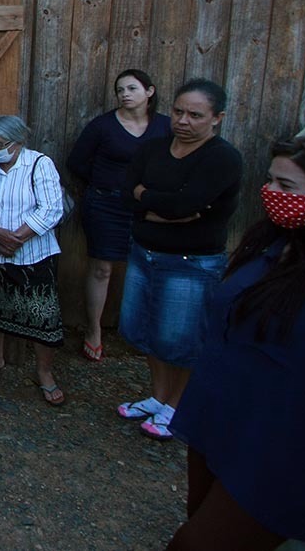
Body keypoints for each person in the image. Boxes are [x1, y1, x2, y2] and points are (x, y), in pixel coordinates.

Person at [165, 135, 305, 550]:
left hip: (282, 443)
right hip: (220, 416)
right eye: (270, 181)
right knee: (201, 516)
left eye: (287, 188)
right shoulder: (272, 242)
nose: (271, 194)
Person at [116, 78, 242, 439]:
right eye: (178, 112)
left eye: (195, 115)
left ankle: (177, 406)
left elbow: (185, 205)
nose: (184, 121)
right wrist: (164, 206)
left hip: (191, 262)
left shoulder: (222, 157)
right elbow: (128, 195)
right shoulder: (152, 149)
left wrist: (150, 200)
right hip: (145, 254)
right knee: (145, 331)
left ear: (217, 118)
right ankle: (158, 397)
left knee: (181, 338)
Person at [66, 69, 172, 362]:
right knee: (102, 269)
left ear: (149, 92)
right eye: (120, 90)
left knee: (149, 266)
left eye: (131, 88)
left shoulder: (165, 126)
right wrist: (107, 183)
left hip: (150, 208)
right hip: (105, 205)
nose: (125, 94)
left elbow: (177, 162)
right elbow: (76, 161)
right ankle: (94, 330)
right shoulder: (102, 126)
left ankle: (146, 330)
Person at [0, 115, 67, 407]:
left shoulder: (39, 164)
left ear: (18, 143)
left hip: (34, 255)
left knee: (42, 315)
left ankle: (44, 372)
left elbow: (51, 209)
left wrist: (16, 239)